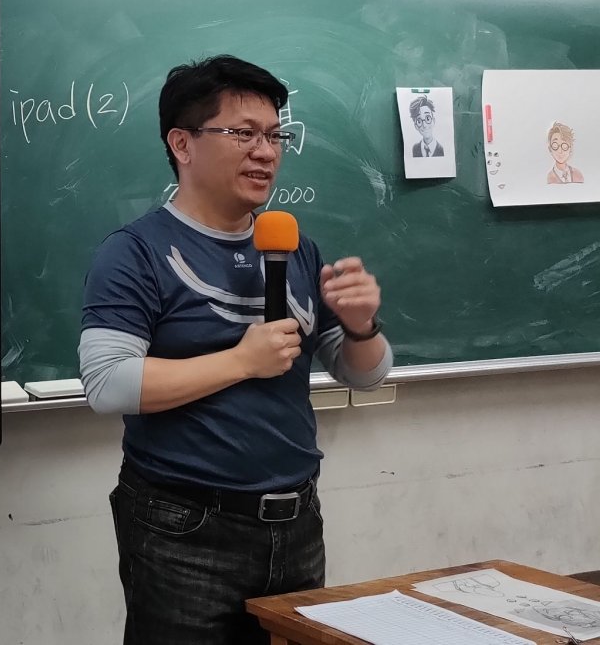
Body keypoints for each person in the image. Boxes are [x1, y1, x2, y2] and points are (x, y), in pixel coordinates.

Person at [79, 55, 394, 645]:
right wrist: (241, 362)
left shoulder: (294, 247)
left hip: (297, 523)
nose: (265, 152)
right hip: (183, 528)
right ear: (182, 143)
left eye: (275, 136)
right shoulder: (135, 252)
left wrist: (361, 327)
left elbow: (366, 375)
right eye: (243, 134)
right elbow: (108, 383)